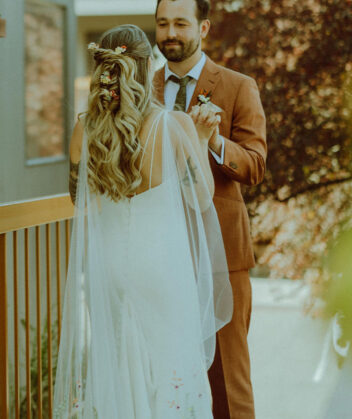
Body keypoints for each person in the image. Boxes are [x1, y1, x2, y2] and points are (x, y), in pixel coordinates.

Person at [54, 24, 233, 418]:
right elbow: (201, 197)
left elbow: (79, 201)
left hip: (112, 267)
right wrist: (202, 141)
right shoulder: (175, 126)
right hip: (161, 267)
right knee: (167, 361)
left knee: (121, 363)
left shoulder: (85, 128)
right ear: (145, 68)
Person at [152, 0, 267, 419]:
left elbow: (255, 166)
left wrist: (216, 141)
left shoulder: (238, 87)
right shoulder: (145, 89)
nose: (170, 33)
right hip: (160, 254)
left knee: (228, 381)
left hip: (222, 256)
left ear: (202, 27)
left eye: (180, 23)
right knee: (168, 373)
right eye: (163, 23)